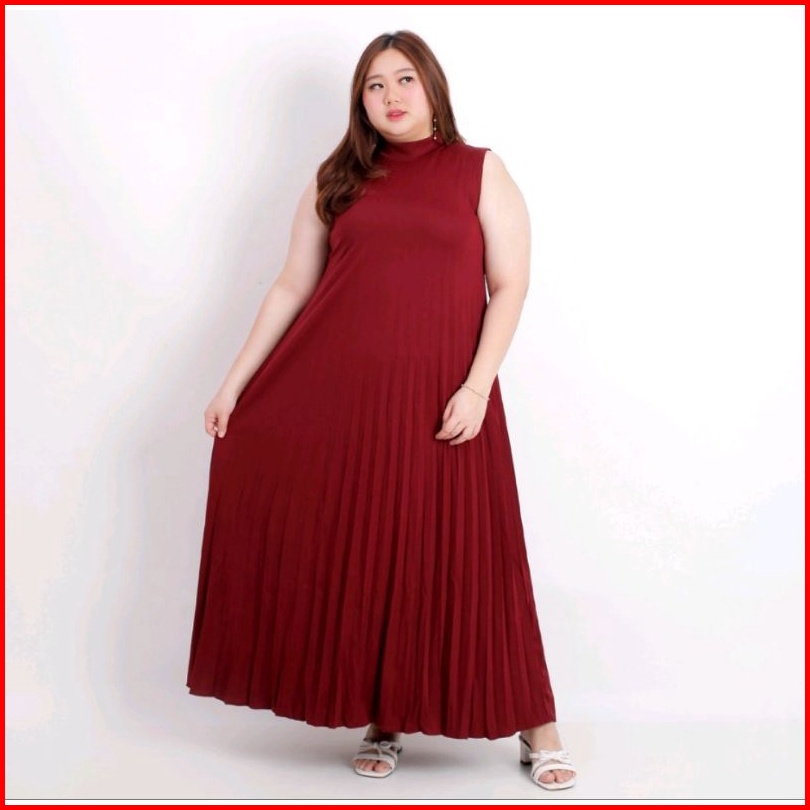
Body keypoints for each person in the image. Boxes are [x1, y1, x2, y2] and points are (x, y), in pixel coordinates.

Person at [185, 30, 577, 791]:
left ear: (432, 88)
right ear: (359, 101)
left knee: (476, 559)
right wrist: (233, 384)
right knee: (374, 557)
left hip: (445, 400)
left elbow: (511, 284)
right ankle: (383, 718)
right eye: (374, 84)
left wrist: (476, 387)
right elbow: (293, 285)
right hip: (346, 401)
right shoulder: (337, 177)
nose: (391, 96)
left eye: (404, 80)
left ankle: (539, 726)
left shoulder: (479, 170)